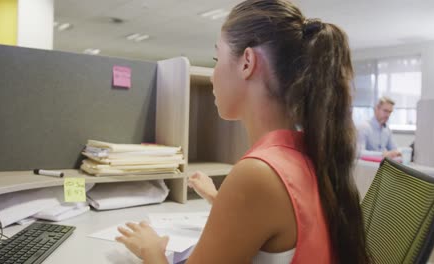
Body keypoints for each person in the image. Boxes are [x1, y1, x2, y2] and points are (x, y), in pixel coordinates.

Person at [115, 0, 370, 263]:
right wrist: (220, 199)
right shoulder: (301, 153)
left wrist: (151, 251)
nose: (213, 75)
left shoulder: (259, 173)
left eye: (217, 58)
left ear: (247, 62)